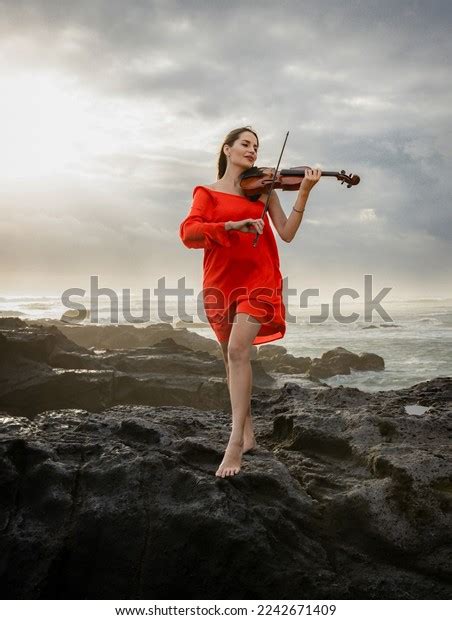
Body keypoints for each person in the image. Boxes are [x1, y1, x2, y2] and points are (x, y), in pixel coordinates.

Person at [179, 126, 321, 478]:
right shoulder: (207, 194)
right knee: (230, 360)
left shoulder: (265, 193)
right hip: (220, 282)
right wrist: (232, 225)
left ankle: (234, 445)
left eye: (257, 146)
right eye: (246, 144)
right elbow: (189, 234)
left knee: (239, 351)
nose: (253, 150)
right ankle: (250, 433)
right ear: (227, 149)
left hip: (259, 280)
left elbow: (286, 233)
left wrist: (303, 192)